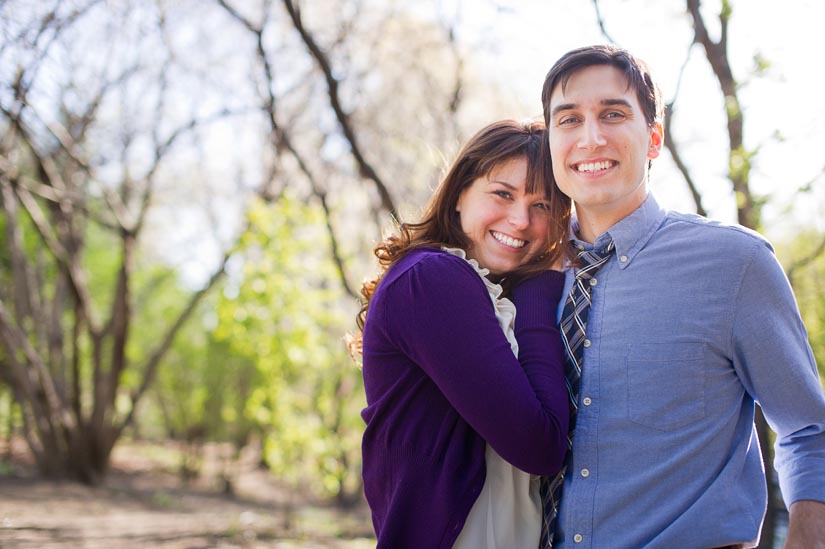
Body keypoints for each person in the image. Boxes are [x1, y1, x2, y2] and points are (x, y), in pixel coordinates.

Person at [540, 44, 825, 548]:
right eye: (569, 119)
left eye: (612, 114)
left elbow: (810, 430)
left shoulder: (734, 265)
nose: (591, 137)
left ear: (654, 138)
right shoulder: (528, 277)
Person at [354, 119, 572, 548]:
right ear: (459, 194)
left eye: (542, 205)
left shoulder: (481, 292)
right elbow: (540, 446)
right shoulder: (431, 279)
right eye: (503, 194)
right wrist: (540, 291)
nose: (521, 220)